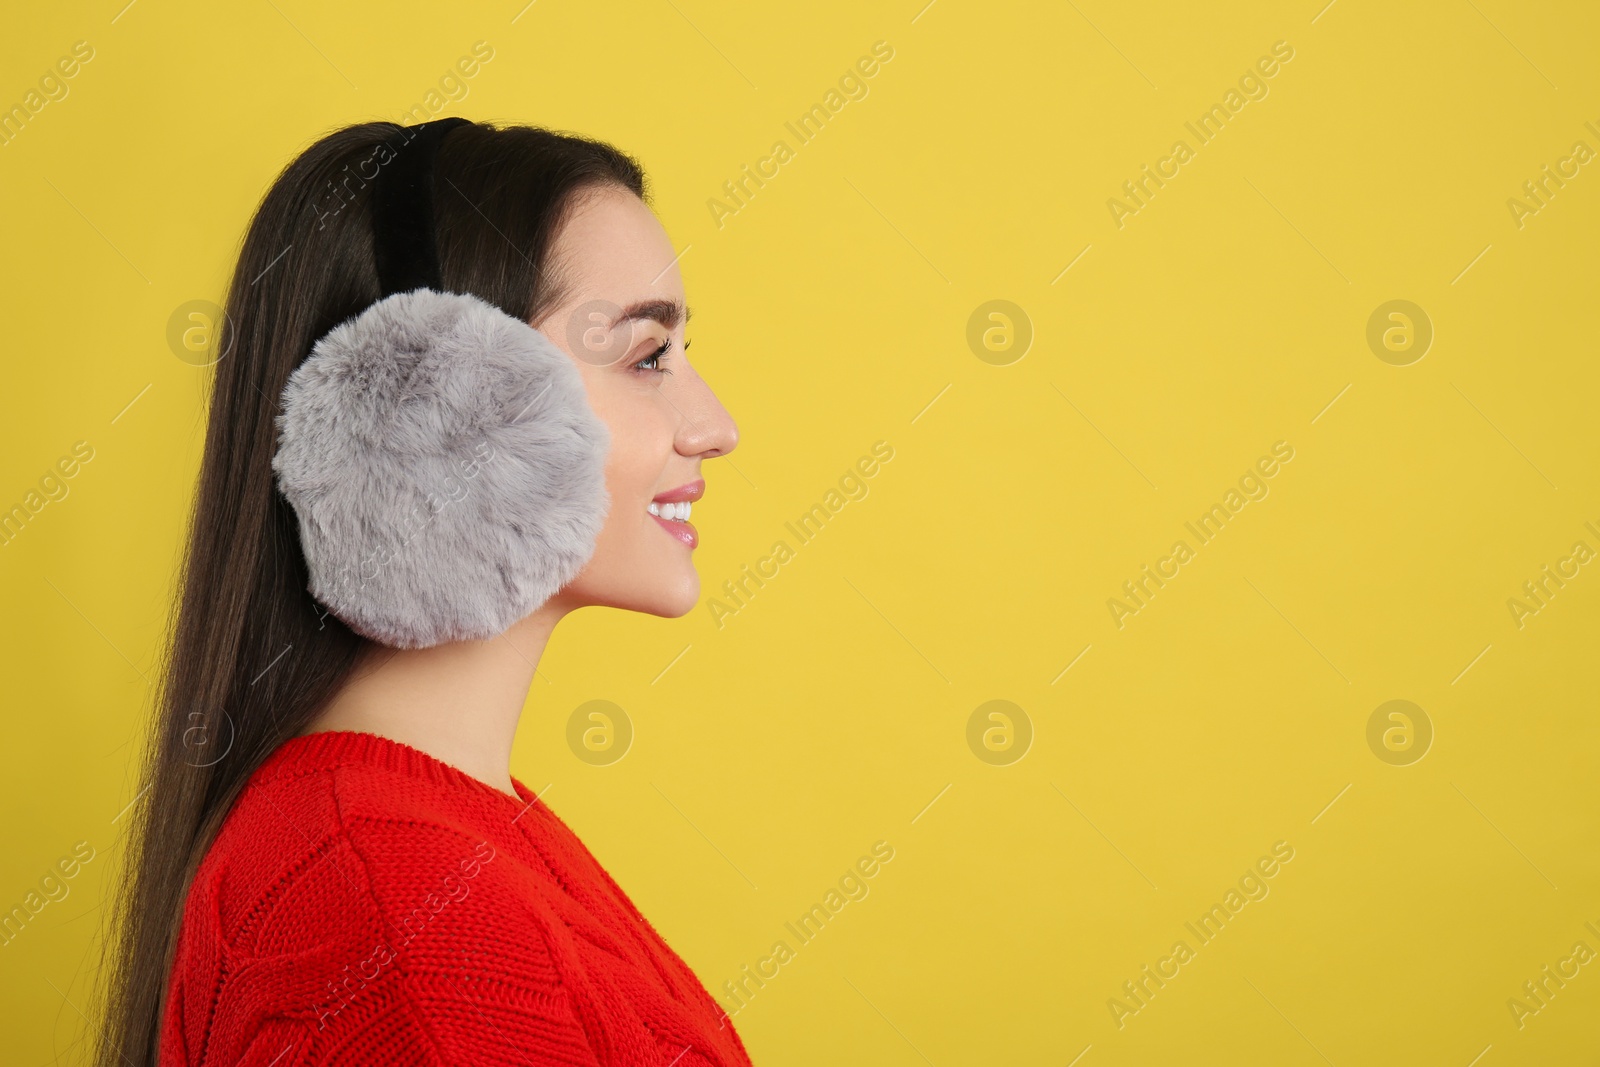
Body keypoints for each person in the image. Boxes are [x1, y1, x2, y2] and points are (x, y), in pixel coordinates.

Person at [93, 119, 748, 1066]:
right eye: (647, 357)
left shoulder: (431, 844)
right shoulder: (405, 925)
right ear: (432, 406)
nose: (715, 426)